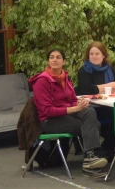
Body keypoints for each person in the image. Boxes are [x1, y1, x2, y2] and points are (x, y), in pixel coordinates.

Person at [30, 48, 108, 176]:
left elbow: (72, 100)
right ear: (48, 61)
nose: (54, 60)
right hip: (50, 121)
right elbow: (47, 111)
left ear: (64, 61)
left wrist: (80, 104)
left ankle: (89, 159)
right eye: (51, 57)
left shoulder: (65, 78)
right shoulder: (42, 81)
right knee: (93, 125)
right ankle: (91, 159)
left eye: (58, 57)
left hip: (67, 114)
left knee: (90, 112)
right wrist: (75, 109)